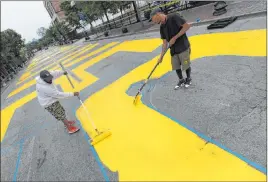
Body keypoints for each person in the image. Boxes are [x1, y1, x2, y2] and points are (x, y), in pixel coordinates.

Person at [150, 8, 192, 89]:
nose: (154, 22)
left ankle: (188, 78)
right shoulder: (162, 27)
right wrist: (161, 57)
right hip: (173, 50)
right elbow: (164, 43)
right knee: (176, 66)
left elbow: (187, 26)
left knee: (185, 64)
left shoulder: (174, 17)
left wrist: (175, 38)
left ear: (157, 14)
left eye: (153, 19)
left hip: (183, 46)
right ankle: (181, 80)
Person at [36, 70, 80, 134]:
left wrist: (62, 72)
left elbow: (55, 73)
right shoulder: (44, 87)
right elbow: (58, 95)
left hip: (51, 99)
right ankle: (69, 128)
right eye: (48, 79)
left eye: (50, 77)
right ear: (43, 79)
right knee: (60, 114)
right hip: (48, 103)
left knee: (61, 111)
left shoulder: (47, 77)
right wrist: (73, 94)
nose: (50, 79)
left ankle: (67, 122)